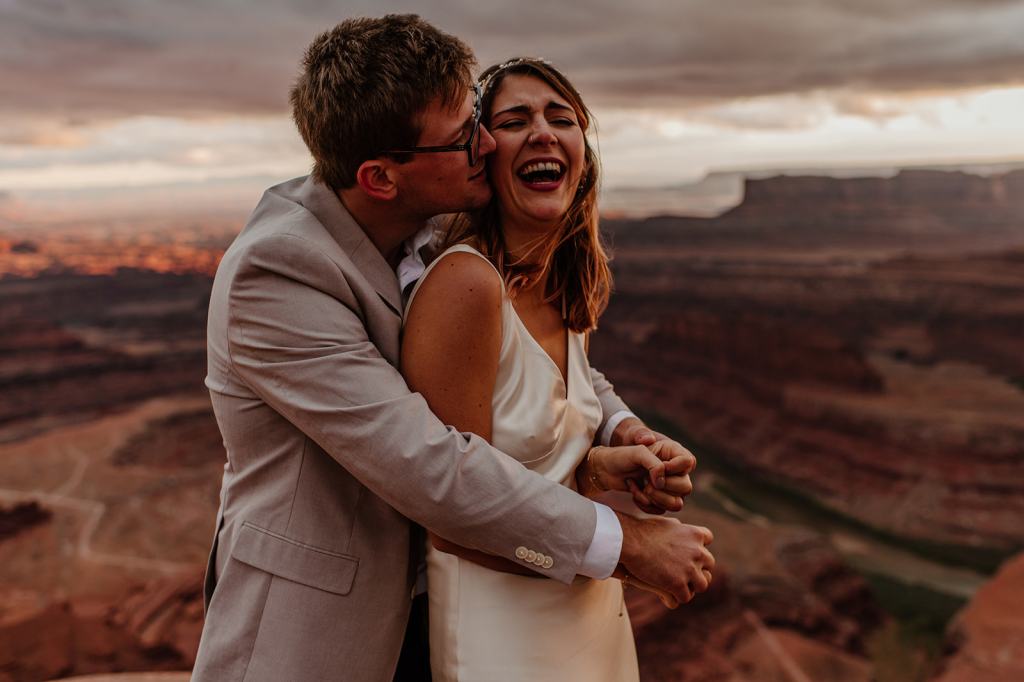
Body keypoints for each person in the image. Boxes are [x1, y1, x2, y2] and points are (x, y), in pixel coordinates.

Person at [192, 15, 715, 682]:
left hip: (450, 611)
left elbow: (531, 357)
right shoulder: (276, 275)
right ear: (382, 178)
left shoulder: (437, 215)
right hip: (320, 637)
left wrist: (616, 426)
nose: (488, 141)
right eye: (466, 135)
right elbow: (433, 465)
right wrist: (627, 543)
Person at [401, 57, 705, 681]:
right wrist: (633, 547)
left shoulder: (556, 281)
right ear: (482, 155)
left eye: (560, 117)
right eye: (514, 120)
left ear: (582, 153)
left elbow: (568, 395)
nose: (542, 131)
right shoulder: (466, 285)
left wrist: (625, 439)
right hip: (503, 635)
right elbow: (452, 512)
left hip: (586, 621)